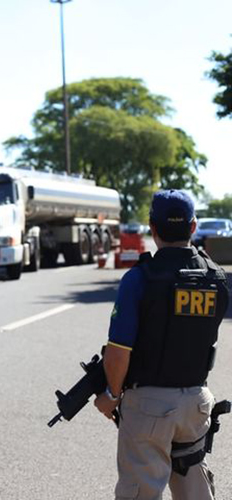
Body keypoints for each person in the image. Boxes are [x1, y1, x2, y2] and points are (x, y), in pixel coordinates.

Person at [94, 190, 229, 500]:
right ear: (193, 227)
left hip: (149, 407)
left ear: (152, 228)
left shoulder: (140, 279)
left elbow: (118, 353)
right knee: (195, 490)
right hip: (197, 403)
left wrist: (112, 395)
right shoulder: (216, 278)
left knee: (140, 491)